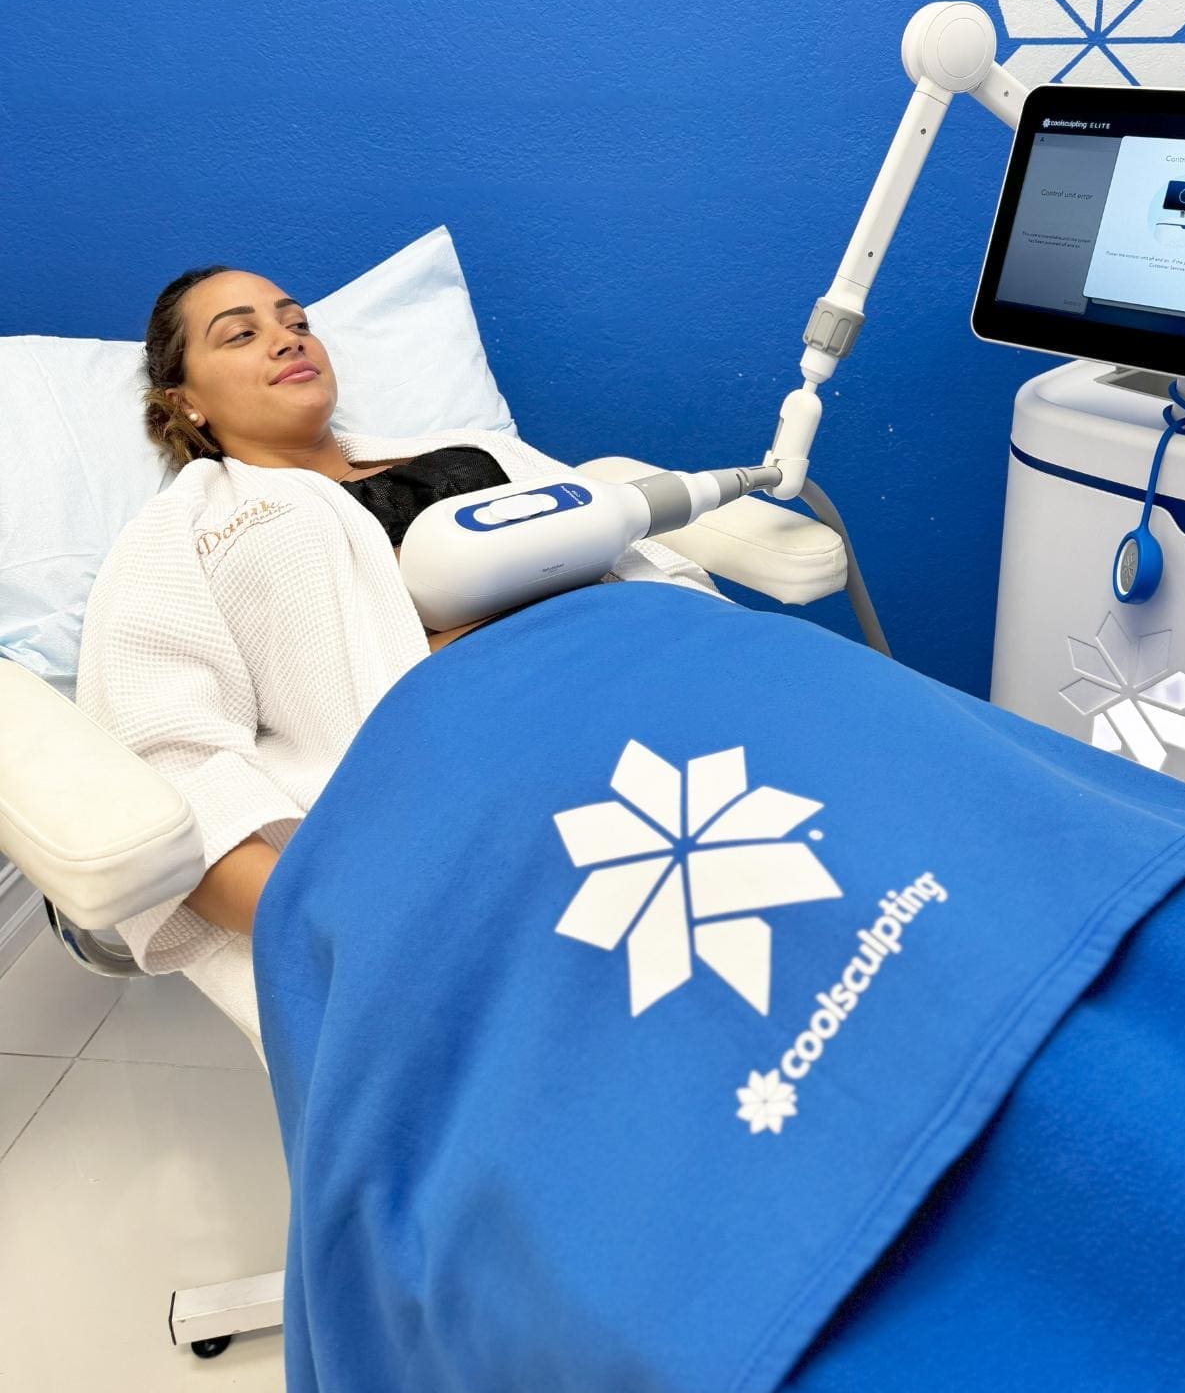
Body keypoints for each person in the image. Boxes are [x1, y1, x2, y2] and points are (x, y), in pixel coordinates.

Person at [75, 266, 718, 1059]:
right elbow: (169, 762)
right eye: (241, 333)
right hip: (503, 778)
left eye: (296, 322)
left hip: (670, 680)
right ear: (184, 401)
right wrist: (344, 926)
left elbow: (639, 553)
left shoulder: (477, 450)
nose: (287, 339)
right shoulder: (187, 533)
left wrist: (717, 644)